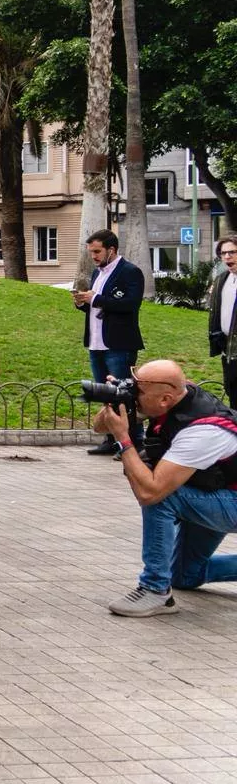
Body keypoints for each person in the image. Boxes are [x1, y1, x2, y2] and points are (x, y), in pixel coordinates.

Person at [99, 359, 237, 616]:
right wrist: (118, 401)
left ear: (164, 399)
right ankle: (169, 581)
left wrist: (123, 439)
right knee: (185, 575)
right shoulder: (171, 398)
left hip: (232, 500)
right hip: (214, 491)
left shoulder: (202, 431)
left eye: (138, 391)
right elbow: (99, 426)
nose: (134, 394)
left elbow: (150, 492)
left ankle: (155, 590)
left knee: (162, 497)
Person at [74, 229, 146, 457]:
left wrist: (94, 298)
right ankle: (110, 439)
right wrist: (82, 303)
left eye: (97, 251)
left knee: (123, 395)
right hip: (96, 343)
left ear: (111, 250)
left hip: (119, 344)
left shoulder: (130, 272)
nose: (93, 256)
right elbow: (98, 305)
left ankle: (133, 443)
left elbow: (130, 304)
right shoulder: (98, 273)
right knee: (105, 395)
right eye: (91, 252)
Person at [207, 236, 237, 407]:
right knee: (232, 393)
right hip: (228, 348)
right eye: (223, 253)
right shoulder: (222, 279)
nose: (227, 257)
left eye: (232, 252)